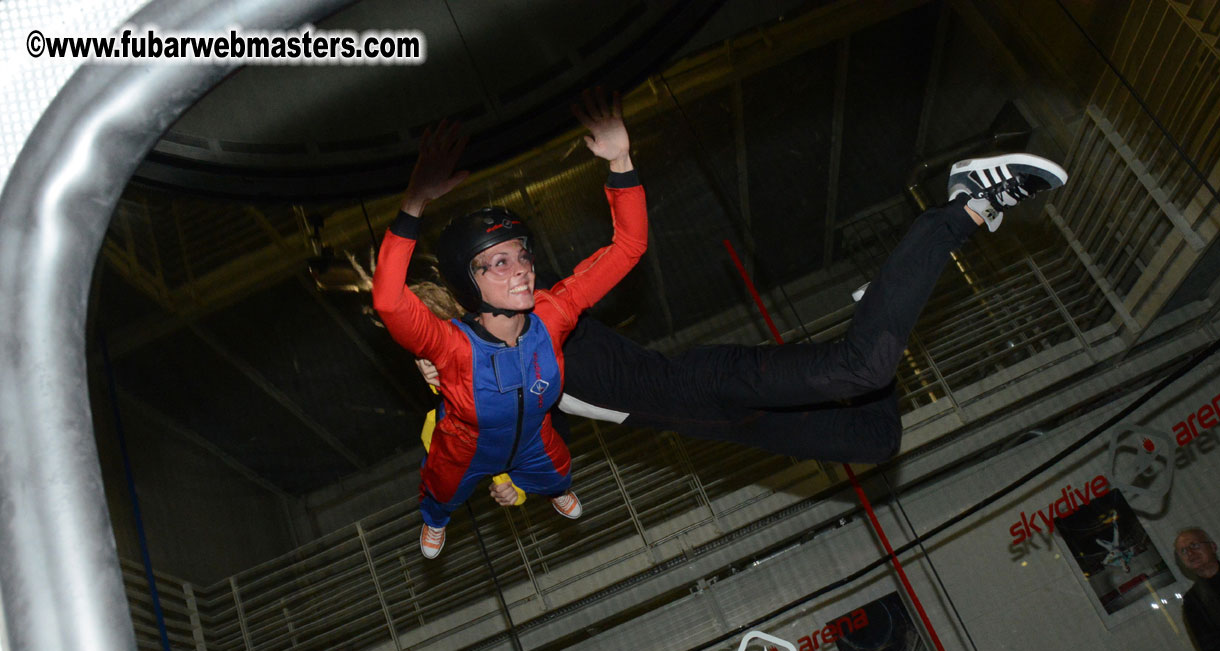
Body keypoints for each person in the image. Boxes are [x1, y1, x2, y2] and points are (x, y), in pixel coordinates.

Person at [417, 151, 1069, 491]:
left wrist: (620, 163)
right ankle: (885, 298)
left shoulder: (541, 317)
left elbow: (625, 246)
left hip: (706, 383)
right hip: (717, 426)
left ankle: (961, 207)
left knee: (863, 364)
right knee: (874, 438)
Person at [372, 91, 646, 558]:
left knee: (558, 470)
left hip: (534, 440)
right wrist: (415, 201)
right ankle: (435, 521)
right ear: (469, 281)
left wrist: (621, 160)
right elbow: (389, 300)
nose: (521, 267)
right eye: (498, 262)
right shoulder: (449, 346)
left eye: (522, 255)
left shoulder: (553, 312)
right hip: (464, 451)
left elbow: (628, 248)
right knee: (441, 492)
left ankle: (554, 490)